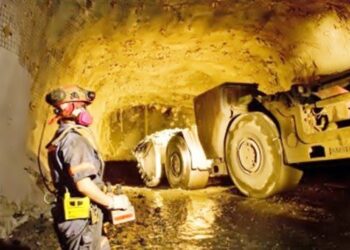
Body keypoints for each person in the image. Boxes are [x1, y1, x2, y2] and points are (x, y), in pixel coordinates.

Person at [45, 86, 130, 250]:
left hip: (75, 216)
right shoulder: (74, 141)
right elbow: (83, 184)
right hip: (81, 219)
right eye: (81, 106)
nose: (84, 110)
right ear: (68, 108)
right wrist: (112, 202)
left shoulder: (60, 138)